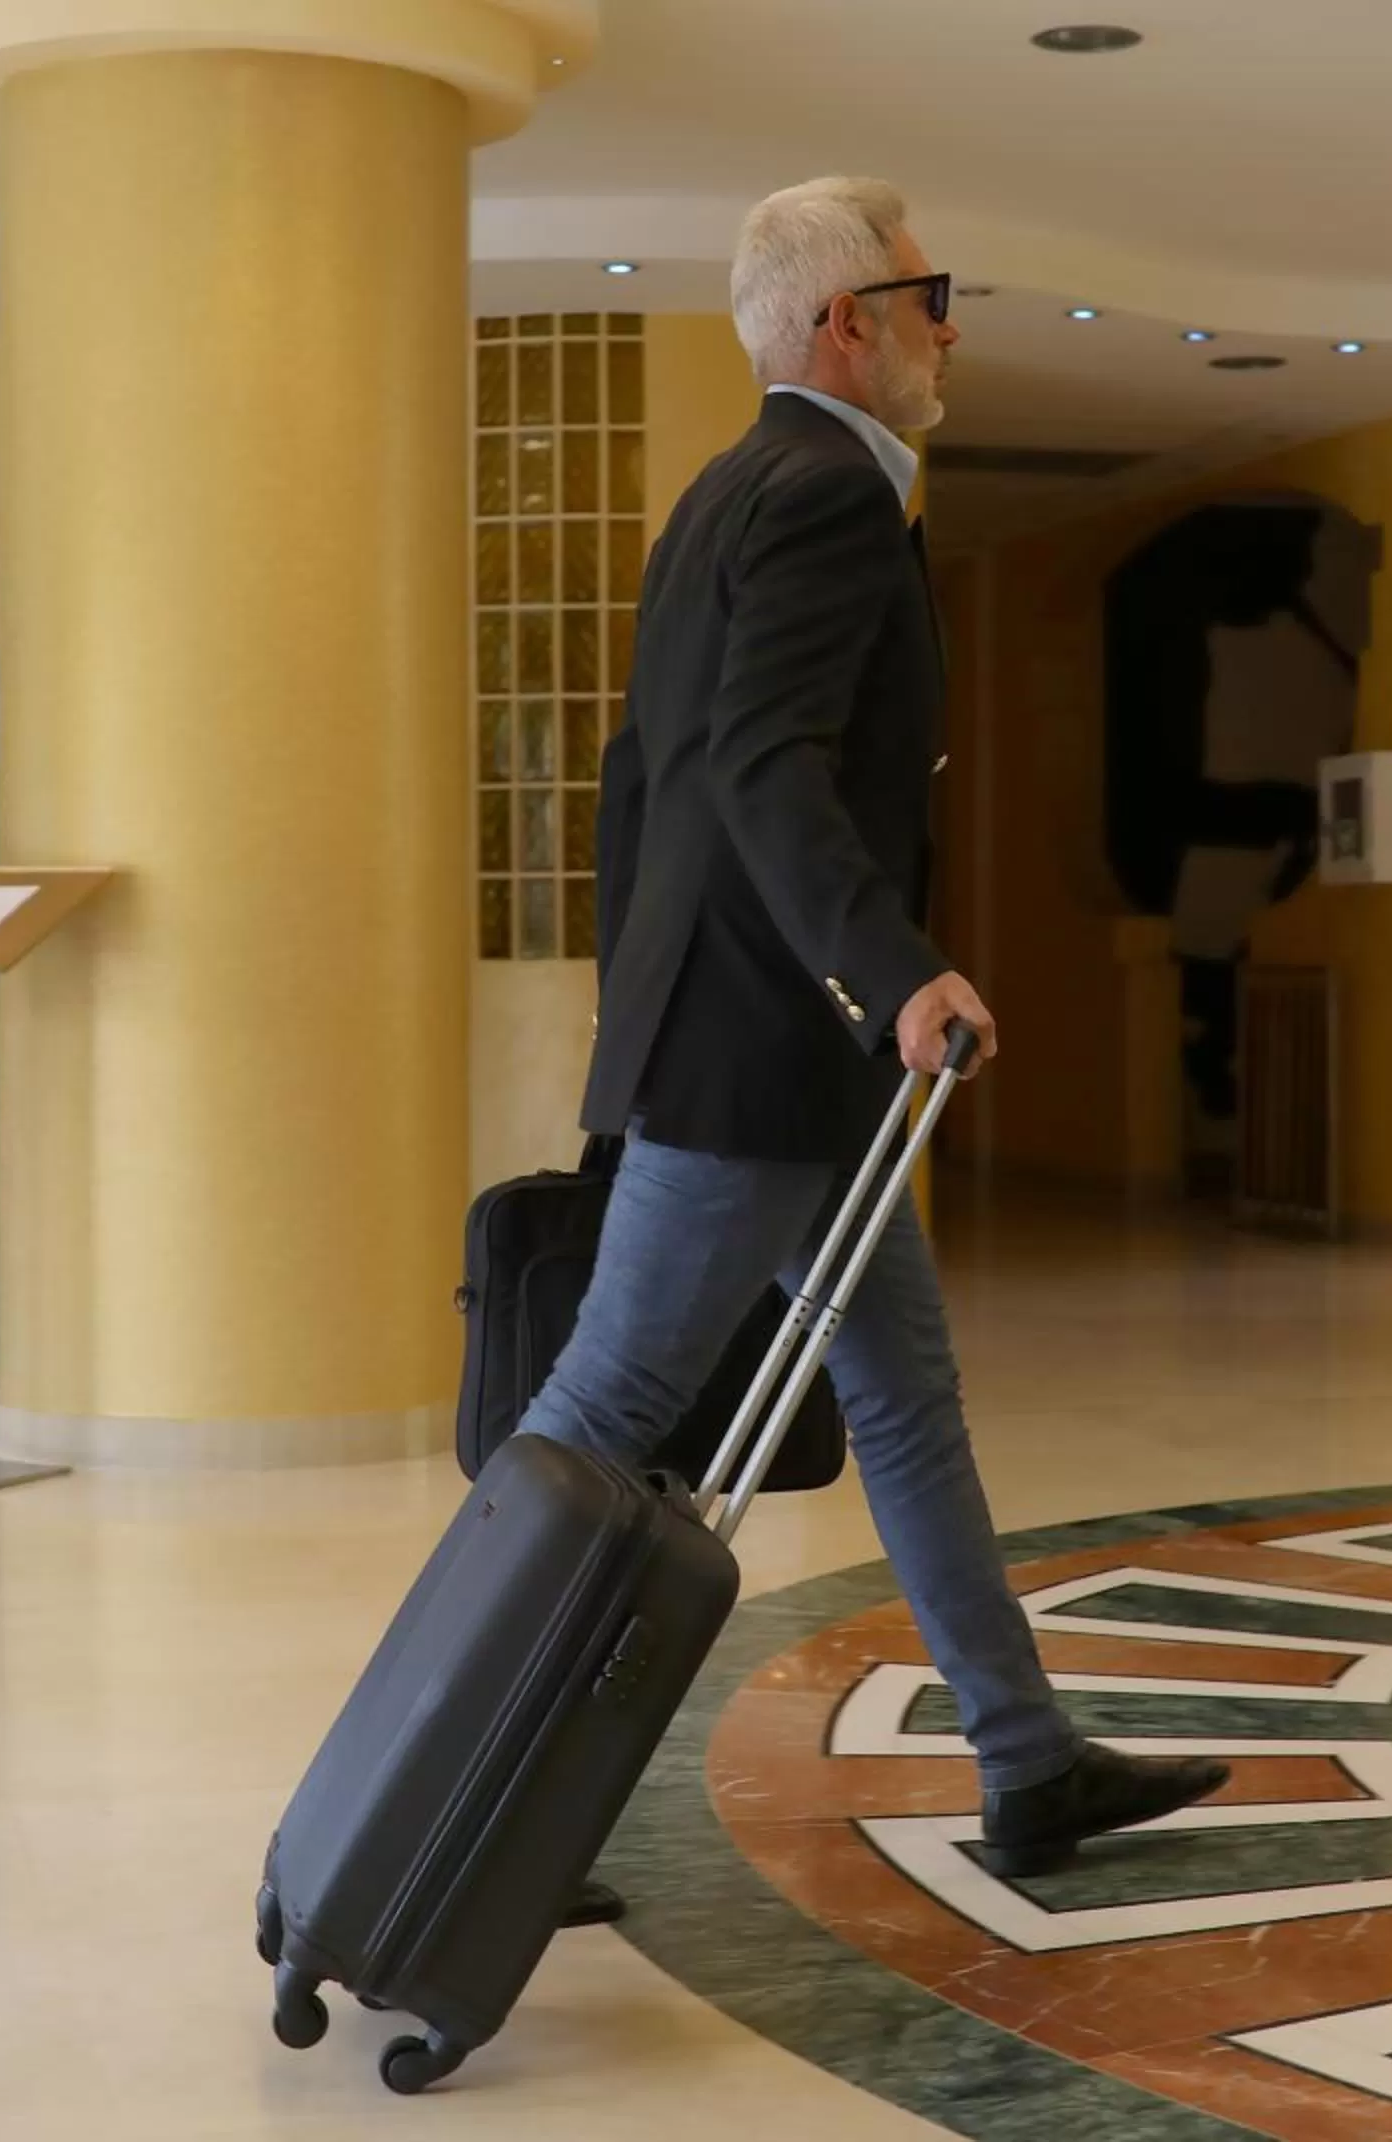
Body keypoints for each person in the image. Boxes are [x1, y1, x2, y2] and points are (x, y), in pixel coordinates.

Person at [536, 177, 1229, 1886]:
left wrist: (652, 1007)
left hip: (767, 1052)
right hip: (763, 1065)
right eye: (931, 297)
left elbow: (648, 783)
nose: (951, 329)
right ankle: (466, 1807)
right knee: (597, 1424)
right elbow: (758, 763)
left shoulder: (726, 490)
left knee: (901, 1399)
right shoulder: (827, 492)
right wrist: (894, 968)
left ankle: (1027, 1755)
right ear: (846, 322)